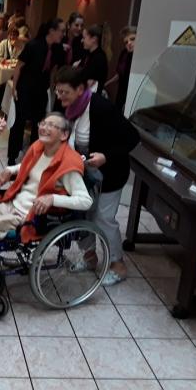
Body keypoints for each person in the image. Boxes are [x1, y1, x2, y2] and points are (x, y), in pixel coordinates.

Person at [0, 112, 93, 303]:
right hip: (12, 203)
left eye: (52, 125)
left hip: (28, 217)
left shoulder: (68, 163)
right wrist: (10, 170)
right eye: (43, 123)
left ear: (64, 135)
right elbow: (25, 166)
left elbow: (85, 201)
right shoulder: (39, 148)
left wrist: (53, 199)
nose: (44, 127)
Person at [54, 65, 140, 286]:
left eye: (65, 92)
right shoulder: (68, 107)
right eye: (58, 91)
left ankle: (118, 264)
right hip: (85, 172)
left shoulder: (101, 107)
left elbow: (132, 137)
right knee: (83, 214)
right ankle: (89, 256)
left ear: (80, 89)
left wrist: (105, 156)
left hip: (110, 173)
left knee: (103, 218)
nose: (60, 96)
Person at [7, 18, 66, 166]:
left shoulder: (57, 49)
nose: (63, 34)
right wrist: (14, 88)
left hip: (41, 90)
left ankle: (34, 155)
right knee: (19, 123)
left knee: (39, 124)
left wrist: (53, 90)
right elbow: (19, 66)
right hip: (25, 88)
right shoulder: (33, 45)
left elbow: (54, 71)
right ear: (51, 31)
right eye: (61, 31)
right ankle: (12, 156)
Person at [108, 26, 136, 112]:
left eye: (132, 39)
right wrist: (107, 83)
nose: (129, 43)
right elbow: (120, 74)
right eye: (126, 42)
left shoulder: (141, 58)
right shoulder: (124, 53)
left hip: (132, 95)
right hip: (121, 92)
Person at [79, 24, 111, 94]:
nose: (82, 40)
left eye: (84, 38)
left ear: (94, 39)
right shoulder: (89, 54)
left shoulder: (99, 57)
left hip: (92, 96)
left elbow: (88, 79)